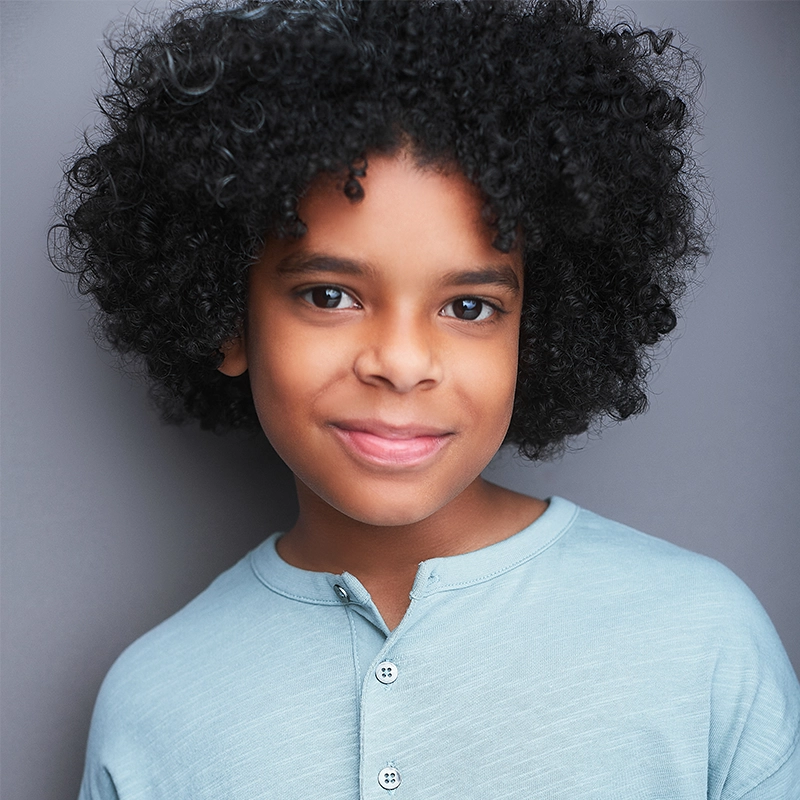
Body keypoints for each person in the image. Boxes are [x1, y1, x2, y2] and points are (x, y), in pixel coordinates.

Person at [50, 0, 800, 796]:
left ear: (533, 335)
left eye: (469, 307)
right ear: (228, 321)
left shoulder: (699, 638)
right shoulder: (154, 701)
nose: (402, 364)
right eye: (329, 295)